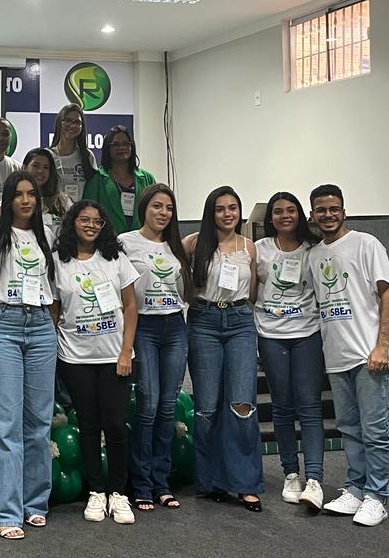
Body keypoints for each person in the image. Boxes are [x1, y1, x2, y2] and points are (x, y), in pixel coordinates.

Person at [308, 184, 389, 527]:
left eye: (334, 209)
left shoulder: (366, 244)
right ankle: (356, 489)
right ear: (312, 215)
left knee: (374, 430)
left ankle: (377, 496)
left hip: (368, 355)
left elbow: (387, 294)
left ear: (344, 211)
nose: (328, 215)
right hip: (337, 356)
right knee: (348, 428)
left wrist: (382, 346)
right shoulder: (315, 255)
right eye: (321, 209)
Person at [52, 200, 139, 526]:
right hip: (75, 357)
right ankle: (96, 491)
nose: (90, 225)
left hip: (114, 356)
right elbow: (55, 310)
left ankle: (118, 492)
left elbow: (130, 307)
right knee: (88, 425)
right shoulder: (58, 262)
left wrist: (126, 351)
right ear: (72, 222)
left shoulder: (115, 259)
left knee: (115, 425)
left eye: (97, 221)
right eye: (84, 219)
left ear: (104, 226)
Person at [0, 173, 57, 539]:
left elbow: (53, 284)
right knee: (5, 422)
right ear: (8, 198)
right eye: (19, 194)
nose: (26, 201)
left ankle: (35, 503)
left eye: (31, 195)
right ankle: (6, 512)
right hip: (3, 325)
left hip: (41, 325)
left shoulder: (48, 236)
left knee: (39, 421)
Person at [183, 186, 263, 511]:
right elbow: (181, 284)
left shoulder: (249, 247)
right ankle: (212, 480)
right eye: (220, 208)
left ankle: (245, 483)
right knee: (207, 406)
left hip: (240, 321)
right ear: (210, 212)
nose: (227, 214)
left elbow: (253, 291)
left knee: (242, 403)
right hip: (203, 321)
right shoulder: (192, 243)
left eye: (233, 208)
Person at [120, 184, 191, 511]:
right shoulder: (126, 242)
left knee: (167, 406)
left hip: (174, 325)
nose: (163, 213)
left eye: (169, 208)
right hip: (144, 327)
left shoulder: (176, 246)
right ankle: (142, 484)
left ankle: (162, 482)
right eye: (157, 206)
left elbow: (184, 291)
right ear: (144, 208)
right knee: (147, 404)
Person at [254, 192, 325, 510]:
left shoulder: (313, 250)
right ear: (270, 217)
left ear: (300, 215)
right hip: (271, 335)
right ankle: (291, 474)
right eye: (278, 211)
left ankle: (314, 479)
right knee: (282, 407)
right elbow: (251, 291)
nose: (285, 215)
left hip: (307, 334)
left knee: (309, 406)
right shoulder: (259, 249)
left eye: (291, 210)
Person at [83, 125, 154, 235]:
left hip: (141, 241)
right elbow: (88, 215)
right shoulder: (96, 180)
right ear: (107, 148)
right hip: (107, 241)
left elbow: (154, 212)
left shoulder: (147, 179)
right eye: (116, 144)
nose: (121, 147)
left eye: (126, 144)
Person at [47, 103, 97, 204]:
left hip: (80, 212)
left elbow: (94, 189)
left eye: (77, 122)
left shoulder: (87, 156)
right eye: (68, 121)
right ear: (59, 123)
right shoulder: (47, 156)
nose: (72, 125)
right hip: (52, 212)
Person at [22, 148, 72, 231]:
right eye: (36, 166)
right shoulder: (15, 198)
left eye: (46, 167)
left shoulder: (62, 200)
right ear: (24, 168)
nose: (40, 171)